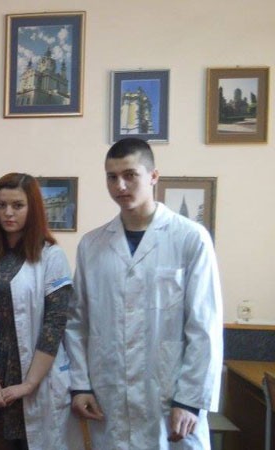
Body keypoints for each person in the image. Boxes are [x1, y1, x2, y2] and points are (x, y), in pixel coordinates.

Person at [65, 138, 223, 449]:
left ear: (153, 176)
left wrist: (190, 400)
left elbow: (204, 327)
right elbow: (77, 323)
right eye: (112, 177)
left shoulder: (190, 238)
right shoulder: (92, 245)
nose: (120, 186)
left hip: (169, 397)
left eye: (130, 175)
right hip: (110, 397)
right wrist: (80, 385)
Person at [0, 173, 79, 450]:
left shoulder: (51, 256)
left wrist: (29, 384)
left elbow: (55, 324)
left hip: (38, 382)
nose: (8, 213)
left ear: (33, 208)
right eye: (1, 205)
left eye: (17, 205)